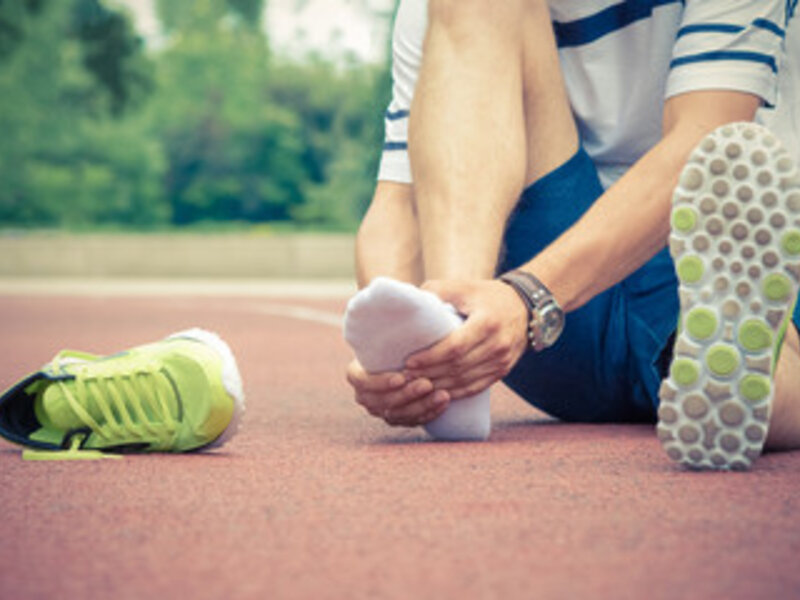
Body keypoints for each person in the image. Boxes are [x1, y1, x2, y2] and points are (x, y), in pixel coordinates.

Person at [344, 0, 800, 470]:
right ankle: (457, 337)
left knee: (758, 336)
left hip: (708, 249)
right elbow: (399, 204)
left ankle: (737, 379)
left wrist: (529, 295)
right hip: (532, 319)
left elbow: (706, 138)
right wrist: (402, 348)